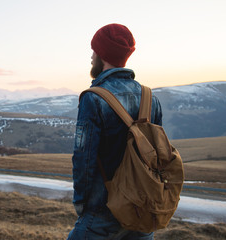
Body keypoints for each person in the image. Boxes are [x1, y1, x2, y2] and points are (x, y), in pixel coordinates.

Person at [67, 23, 162, 240]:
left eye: (95, 51)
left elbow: (84, 158)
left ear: (103, 55)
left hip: (102, 211)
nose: (92, 56)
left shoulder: (93, 98)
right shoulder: (151, 99)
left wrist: (82, 205)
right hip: (142, 212)